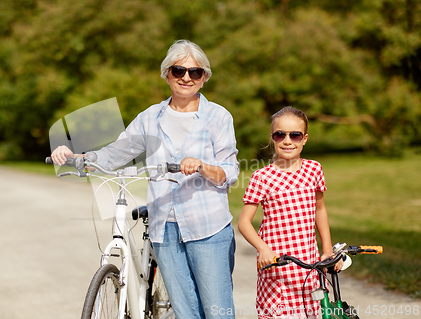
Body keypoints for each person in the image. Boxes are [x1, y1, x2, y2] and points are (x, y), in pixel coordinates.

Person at [51, 40, 239, 319]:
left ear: (204, 78)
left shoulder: (218, 117)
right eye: (178, 70)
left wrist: (202, 166)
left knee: (217, 312)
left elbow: (230, 172)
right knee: (186, 313)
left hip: (208, 227)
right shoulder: (150, 118)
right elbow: (116, 153)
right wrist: (76, 157)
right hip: (165, 228)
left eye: (195, 72)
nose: (186, 77)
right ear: (167, 74)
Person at [238, 106, 342, 319]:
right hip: (277, 266)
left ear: (304, 139)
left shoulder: (314, 169)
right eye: (280, 135)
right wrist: (263, 249)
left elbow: (320, 210)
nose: (287, 141)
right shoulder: (261, 177)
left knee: (316, 313)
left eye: (295, 135)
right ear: (272, 138)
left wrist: (327, 249)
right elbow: (244, 223)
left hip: (309, 265)